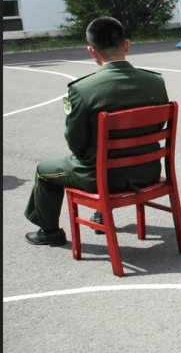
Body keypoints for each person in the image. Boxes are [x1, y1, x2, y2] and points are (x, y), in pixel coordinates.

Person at [23, 17, 170, 247]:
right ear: (127, 45)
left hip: (101, 178)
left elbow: (76, 145)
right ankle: (100, 213)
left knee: (44, 171)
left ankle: (49, 231)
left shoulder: (82, 90)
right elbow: (156, 128)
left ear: (92, 51)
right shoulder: (155, 82)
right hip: (147, 171)